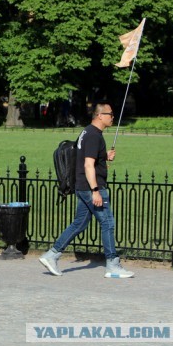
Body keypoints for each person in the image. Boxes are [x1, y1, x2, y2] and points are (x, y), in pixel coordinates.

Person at [39, 102, 135, 279]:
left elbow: (87, 157)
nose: (112, 117)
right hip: (91, 187)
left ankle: (52, 255)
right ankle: (113, 265)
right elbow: (88, 165)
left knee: (80, 223)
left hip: (82, 186)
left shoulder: (87, 132)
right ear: (100, 116)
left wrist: (104, 157)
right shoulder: (93, 135)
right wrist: (96, 191)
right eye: (110, 114)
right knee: (107, 223)